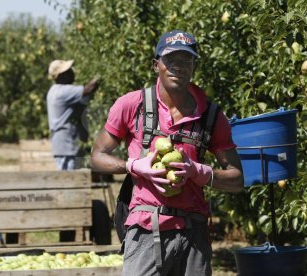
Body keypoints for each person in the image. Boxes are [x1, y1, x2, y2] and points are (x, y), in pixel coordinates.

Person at [90, 30, 244, 276]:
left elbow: (237, 179)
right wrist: (134, 166)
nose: (178, 67)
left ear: (194, 66)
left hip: (193, 233)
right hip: (145, 230)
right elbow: (97, 157)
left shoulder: (212, 117)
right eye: (171, 60)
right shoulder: (132, 105)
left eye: (186, 61)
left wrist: (198, 171)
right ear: (156, 65)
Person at [46, 59, 99, 171]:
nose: (72, 72)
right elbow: (88, 89)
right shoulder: (63, 91)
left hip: (62, 144)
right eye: (68, 70)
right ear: (61, 76)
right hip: (66, 144)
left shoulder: (53, 90)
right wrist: (101, 74)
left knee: (68, 180)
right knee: (69, 182)